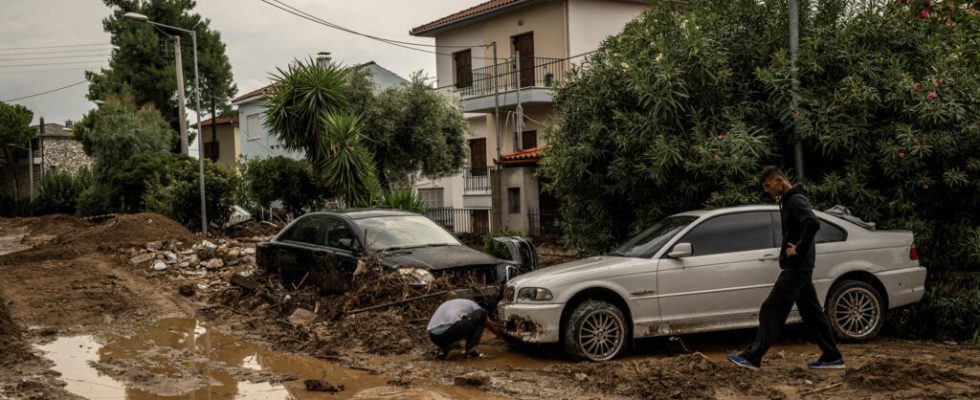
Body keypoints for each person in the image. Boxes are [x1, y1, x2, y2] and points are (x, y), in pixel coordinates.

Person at [728, 166, 845, 371]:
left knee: (771, 308)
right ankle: (832, 356)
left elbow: (813, 223)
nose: (766, 190)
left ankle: (753, 357)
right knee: (812, 313)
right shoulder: (790, 199)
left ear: (779, 181)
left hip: (798, 266)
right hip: (801, 266)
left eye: (767, 185)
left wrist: (798, 248)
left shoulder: (794, 199)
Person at [427, 297, 501, 360]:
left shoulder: (452, 304)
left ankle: (442, 352)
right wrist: (501, 335)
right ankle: (470, 352)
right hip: (450, 331)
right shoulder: (474, 305)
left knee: (453, 326)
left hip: (434, 336)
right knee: (482, 313)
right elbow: (486, 321)